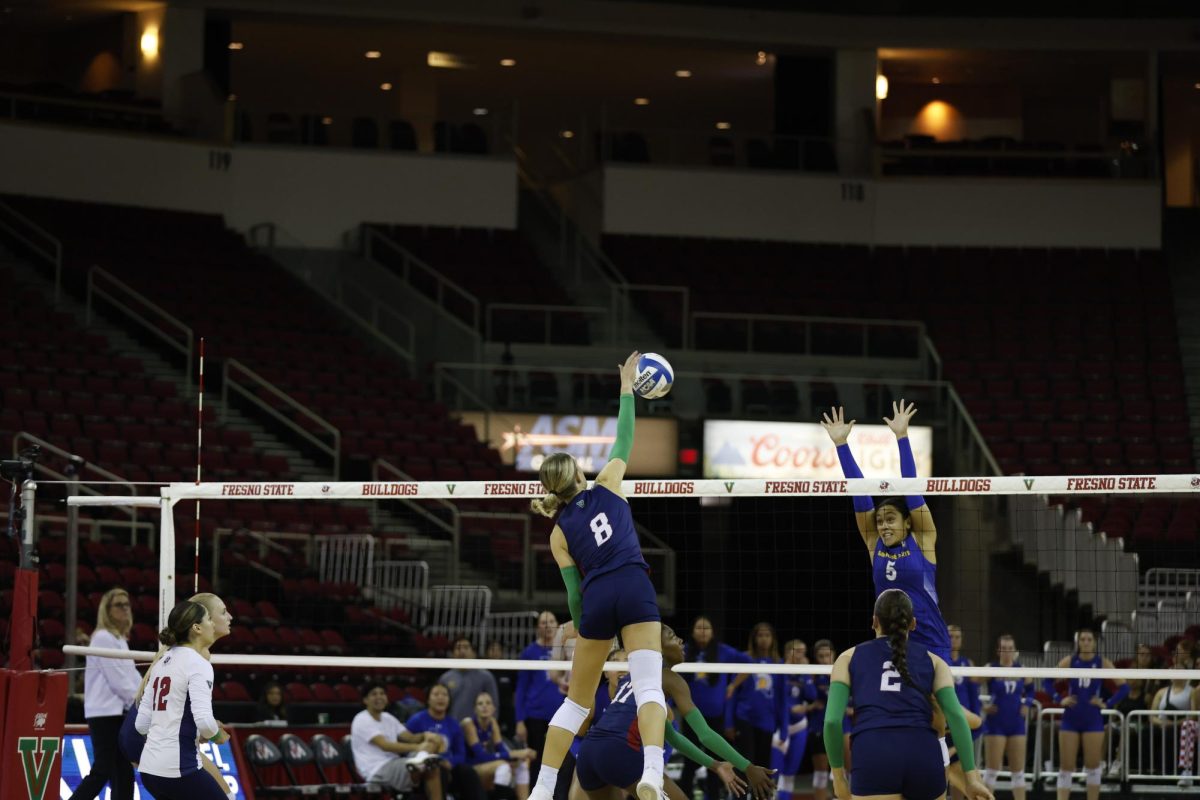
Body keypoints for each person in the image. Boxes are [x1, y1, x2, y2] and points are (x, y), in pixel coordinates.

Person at [527, 352, 668, 800]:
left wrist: (588, 633)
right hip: (634, 584)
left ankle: (542, 789)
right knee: (648, 685)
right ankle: (652, 773)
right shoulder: (607, 481)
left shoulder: (557, 533)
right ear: (579, 472)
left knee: (576, 703)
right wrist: (627, 388)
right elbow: (624, 437)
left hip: (598, 597)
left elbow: (573, 598)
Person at [823, 589, 991, 800]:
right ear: (912, 623)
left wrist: (838, 777)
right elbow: (957, 717)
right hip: (923, 754)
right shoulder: (934, 661)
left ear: (874, 621)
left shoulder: (847, 658)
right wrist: (972, 778)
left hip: (873, 753)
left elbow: (831, 722)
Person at [573, 625, 775, 800]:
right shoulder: (670, 679)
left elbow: (673, 737)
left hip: (588, 754)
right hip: (618, 752)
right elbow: (704, 734)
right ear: (657, 648)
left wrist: (716, 765)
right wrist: (747, 767)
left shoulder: (633, 675)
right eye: (671, 637)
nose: (680, 640)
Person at [822, 401, 952, 661]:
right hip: (889, 644)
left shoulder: (923, 538)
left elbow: (911, 488)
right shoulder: (874, 543)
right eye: (880, 521)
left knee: (937, 704)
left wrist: (902, 437)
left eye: (890, 519)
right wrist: (841, 445)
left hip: (930, 642)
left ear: (907, 522)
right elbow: (859, 494)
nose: (883, 526)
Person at [119, 592, 236, 798]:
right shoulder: (197, 656)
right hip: (151, 741)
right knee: (225, 793)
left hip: (142, 736)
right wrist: (210, 731)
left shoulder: (172, 653)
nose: (230, 617)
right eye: (223, 612)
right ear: (198, 624)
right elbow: (198, 718)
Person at [69, 587, 141, 800]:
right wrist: (141, 702)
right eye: (119, 605)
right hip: (105, 713)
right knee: (103, 769)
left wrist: (148, 694)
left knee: (123, 772)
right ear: (107, 610)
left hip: (119, 712)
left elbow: (131, 674)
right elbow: (118, 680)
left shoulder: (119, 639)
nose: (125, 609)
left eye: (127, 605)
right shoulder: (102, 637)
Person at [1044, 628, 1128, 800]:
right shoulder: (1070, 661)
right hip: (1071, 718)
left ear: (1095, 642)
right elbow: (1047, 681)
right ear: (1078, 642)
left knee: (1092, 766)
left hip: (1093, 719)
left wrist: (1107, 703)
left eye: (1089, 639)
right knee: (1066, 767)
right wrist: (1059, 698)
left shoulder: (1102, 662)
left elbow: (1124, 687)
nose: (1086, 642)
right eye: (1083, 639)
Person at [678, 616, 746, 800]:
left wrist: (733, 685)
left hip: (716, 716)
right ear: (692, 632)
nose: (702, 631)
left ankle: (714, 797)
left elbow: (748, 662)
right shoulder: (684, 651)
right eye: (699, 628)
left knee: (716, 764)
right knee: (690, 762)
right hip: (691, 715)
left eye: (706, 628)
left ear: (712, 631)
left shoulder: (723, 651)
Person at [350, 683, 444, 798]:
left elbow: (410, 738)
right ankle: (419, 763)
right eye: (374, 694)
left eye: (382, 693)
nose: (379, 697)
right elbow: (385, 745)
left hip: (395, 764)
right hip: (378, 770)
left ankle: (420, 762)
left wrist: (426, 736)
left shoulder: (388, 717)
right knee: (431, 766)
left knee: (431, 755)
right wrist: (418, 748)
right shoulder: (362, 719)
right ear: (365, 700)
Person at [975, 635, 1033, 800]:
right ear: (998, 650)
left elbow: (1030, 690)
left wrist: (1027, 704)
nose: (1007, 652)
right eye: (1004, 648)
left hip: (1016, 723)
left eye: (1010, 648)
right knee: (992, 770)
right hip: (996, 724)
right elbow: (973, 686)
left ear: (1014, 651)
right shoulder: (991, 668)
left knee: (1018, 772)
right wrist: (982, 706)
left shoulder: (1021, 670)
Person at [406, 683, 488, 800]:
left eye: (444, 695)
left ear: (449, 700)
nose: (441, 698)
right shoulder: (416, 720)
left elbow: (460, 754)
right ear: (428, 699)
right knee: (439, 770)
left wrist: (450, 763)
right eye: (436, 694)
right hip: (425, 769)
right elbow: (407, 746)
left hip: (448, 765)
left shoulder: (453, 724)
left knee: (468, 772)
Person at [517, 611, 567, 781]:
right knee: (537, 761)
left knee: (562, 761)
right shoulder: (529, 652)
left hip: (561, 714)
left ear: (557, 625)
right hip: (535, 716)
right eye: (544, 622)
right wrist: (519, 721)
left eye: (551, 621)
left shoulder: (565, 651)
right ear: (538, 627)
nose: (548, 625)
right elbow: (521, 689)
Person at [729, 622, 786, 770]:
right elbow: (732, 692)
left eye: (767, 635)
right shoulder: (744, 658)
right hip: (744, 717)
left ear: (773, 639)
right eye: (760, 635)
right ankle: (739, 794)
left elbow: (781, 698)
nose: (764, 639)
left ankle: (760, 795)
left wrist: (784, 727)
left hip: (767, 721)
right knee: (743, 764)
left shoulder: (778, 663)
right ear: (754, 638)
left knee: (763, 765)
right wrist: (728, 723)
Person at [463, 691, 537, 800]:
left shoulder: (492, 722)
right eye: (480, 703)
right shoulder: (468, 724)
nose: (484, 706)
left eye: (488, 703)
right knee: (503, 766)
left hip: (485, 766)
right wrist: (514, 754)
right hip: (468, 769)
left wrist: (518, 756)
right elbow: (481, 757)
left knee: (521, 763)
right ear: (475, 709)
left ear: (494, 708)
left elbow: (501, 748)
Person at [1149, 640, 1197, 786]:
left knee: (1174, 733)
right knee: (1148, 732)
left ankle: (1179, 771)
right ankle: (1153, 770)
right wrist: (1162, 723)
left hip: (1181, 725)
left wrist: (1174, 723)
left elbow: (1194, 714)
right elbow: (1151, 715)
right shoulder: (1162, 691)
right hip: (1162, 725)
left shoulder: (1193, 691)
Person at [776, 639, 817, 800]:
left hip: (799, 726)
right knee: (775, 770)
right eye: (798, 651)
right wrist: (788, 709)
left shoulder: (802, 672)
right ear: (788, 652)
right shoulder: (779, 669)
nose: (802, 655)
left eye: (803, 652)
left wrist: (806, 672)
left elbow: (812, 696)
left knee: (790, 772)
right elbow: (775, 699)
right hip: (780, 726)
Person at [947, 624, 983, 799]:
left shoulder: (967, 664)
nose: (953, 640)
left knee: (968, 784)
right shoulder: (937, 662)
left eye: (957, 637)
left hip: (960, 729)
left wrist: (954, 748)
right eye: (950, 636)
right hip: (938, 730)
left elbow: (975, 704)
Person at [442, 636, 502, 721]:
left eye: (466, 647)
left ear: (474, 653)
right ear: (453, 654)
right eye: (458, 648)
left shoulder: (486, 677)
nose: (462, 651)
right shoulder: (445, 678)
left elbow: (494, 705)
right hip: (452, 729)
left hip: (478, 729)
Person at [808, 640, 836, 800]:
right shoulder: (813, 676)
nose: (825, 659)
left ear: (834, 655)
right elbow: (810, 697)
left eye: (828, 655)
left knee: (843, 772)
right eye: (821, 656)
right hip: (818, 727)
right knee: (821, 773)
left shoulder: (845, 674)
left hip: (843, 728)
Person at [487, 640, 519, 736]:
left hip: (506, 712)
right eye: (492, 649)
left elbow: (515, 692)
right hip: (488, 712)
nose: (495, 652)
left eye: (498, 650)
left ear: (501, 652)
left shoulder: (509, 670)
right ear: (487, 652)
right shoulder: (483, 671)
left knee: (508, 738)